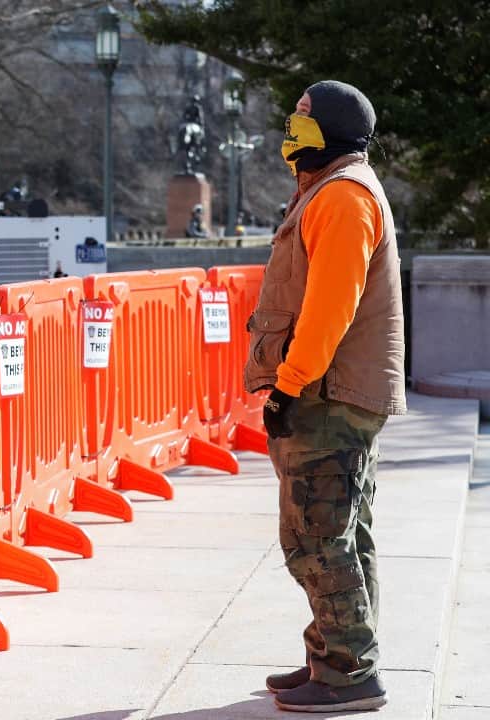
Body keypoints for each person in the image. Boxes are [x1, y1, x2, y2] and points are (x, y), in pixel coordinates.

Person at [244, 80, 404, 713]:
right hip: (333, 390)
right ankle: (335, 653)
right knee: (340, 530)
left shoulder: (342, 197)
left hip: (327, 393)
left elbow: (328, 309)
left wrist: (287, 387)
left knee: (316, 534)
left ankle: (348, 671)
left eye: (304, 121)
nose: (291, 132)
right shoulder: (329, 191)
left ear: (333, 131)